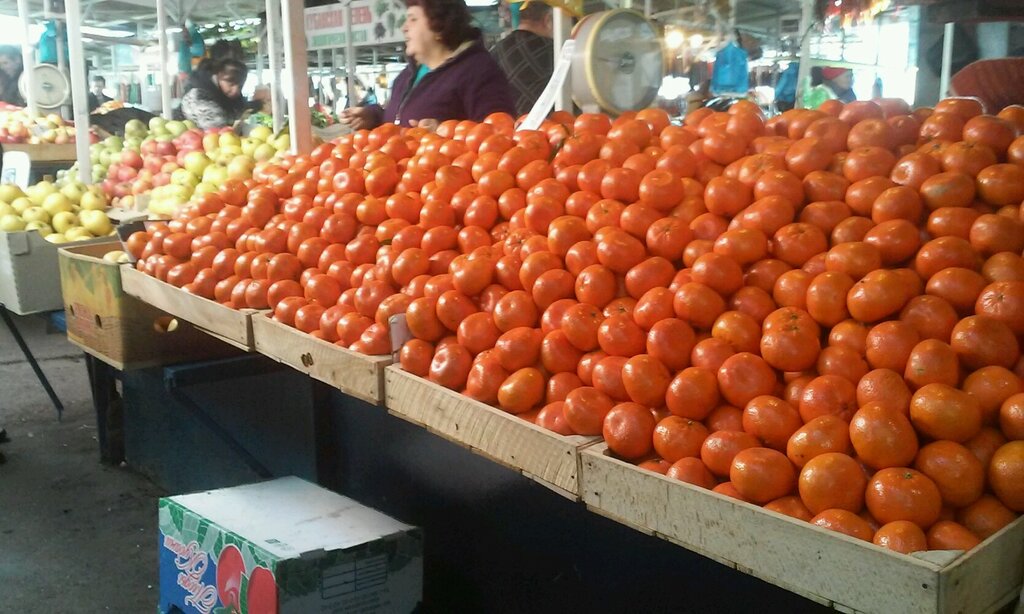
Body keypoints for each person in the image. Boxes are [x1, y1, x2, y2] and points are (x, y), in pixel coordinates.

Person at [341, 0, 516, 130]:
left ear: (439, 26)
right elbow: (399, 118)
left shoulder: (478, 71)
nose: (404, 28)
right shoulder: (406, 76)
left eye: (413, 19)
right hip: (405, 168)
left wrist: (445, 132)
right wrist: (373, 116)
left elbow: (499, 132)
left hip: (446, 169)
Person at [490, 1, 553, 116]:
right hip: (552, 124)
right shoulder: (554, 51)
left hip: (503, 124)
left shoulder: (494, 52)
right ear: (548, 19)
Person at [178, 58, 263, 129]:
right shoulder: (199, 95)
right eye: (231, 84)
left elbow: (238, 109)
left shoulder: (225, 93)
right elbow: (216, 128)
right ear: (218, 75)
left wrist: (257, 105)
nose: (235, 90)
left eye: (240, 86)